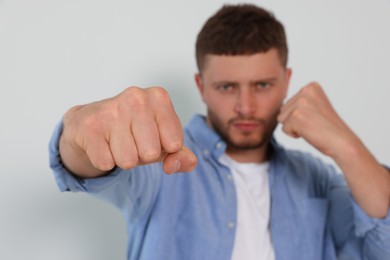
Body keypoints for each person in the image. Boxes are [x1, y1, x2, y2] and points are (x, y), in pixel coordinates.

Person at [49, 4, 390, 260]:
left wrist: (347, 146)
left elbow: (381, 245)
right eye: (227, 87)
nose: (245, 106)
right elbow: (87, 166)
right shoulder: (161, 162)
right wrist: (80, 130)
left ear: (286, 81)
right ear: (201, 86)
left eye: (262, 85)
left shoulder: (316, 177)